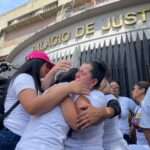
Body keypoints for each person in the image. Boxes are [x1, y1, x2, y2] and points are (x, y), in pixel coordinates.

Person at [0, 50, 89, 150]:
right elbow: (32, 107)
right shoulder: (24, 78)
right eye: (48, 66)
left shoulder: (32, 82)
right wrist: (68, 88)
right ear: (37, 63)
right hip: (13, 134)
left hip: (18, 136)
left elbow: (45, 89)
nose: (48, 70)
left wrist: (53, 71)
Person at [16, 61, 108, 150]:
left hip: (48, 145)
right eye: (78, 71)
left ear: (93, 82)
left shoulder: (87, 95)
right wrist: (64, 89)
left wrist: (63, 95)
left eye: (82, 73)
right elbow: (37, 102)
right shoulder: (67, 88)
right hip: (29, 143)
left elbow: (79, 123)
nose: (77, 74)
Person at [99, 79, 129, 150]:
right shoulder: (93, 96)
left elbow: (116, 108)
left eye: (116, 87)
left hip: (116, 141)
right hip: (100, 142)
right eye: (112, 87)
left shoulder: (111, 98)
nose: (114, 89)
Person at [131, 81, 150, 146]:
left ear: (142, 90)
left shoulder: (147, 106)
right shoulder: (137, 107)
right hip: (140, 144)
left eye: (134, 89)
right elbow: (135, 124)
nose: (132, 92)